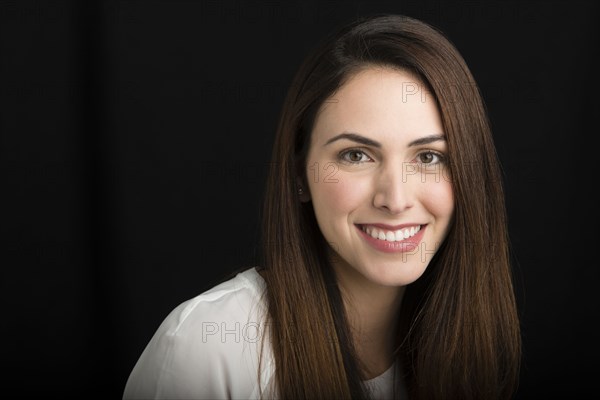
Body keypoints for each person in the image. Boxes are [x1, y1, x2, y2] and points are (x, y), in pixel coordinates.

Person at [123, 14, 521, 399]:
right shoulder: (207, 350)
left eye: (429, 158)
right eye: (356, 155)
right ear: (299, 176)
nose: (396, 199)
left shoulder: (465, 345)